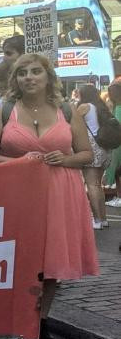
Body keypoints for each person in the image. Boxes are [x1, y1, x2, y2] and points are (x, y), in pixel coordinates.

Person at [0, 53, 97, 339]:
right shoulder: (4, 110)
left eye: (35, 72)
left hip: (60, 193)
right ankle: (4, 325)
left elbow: (86, 154)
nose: (29, 77)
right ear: (15, 80)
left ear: (48, 77)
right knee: (13, 260)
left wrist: (66, 158)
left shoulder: (67, 111)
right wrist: (17, 162)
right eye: (22, 73)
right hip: (15, 195)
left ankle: (40, 323)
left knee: (52, 262)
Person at [75, 84, 111, 229]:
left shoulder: (85, 107)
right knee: (97, 185)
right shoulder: (101, 106)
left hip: (92, 146)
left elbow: (72, 122)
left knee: (91, 185)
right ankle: (103, 219)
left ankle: (96, 220)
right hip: (105, 148)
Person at [105, 80, 121, 208]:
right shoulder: (117, 106)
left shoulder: (119, 107)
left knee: (117, 170)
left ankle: (120, 197)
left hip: (118, 146)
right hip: (117, 145)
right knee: (117, 171)